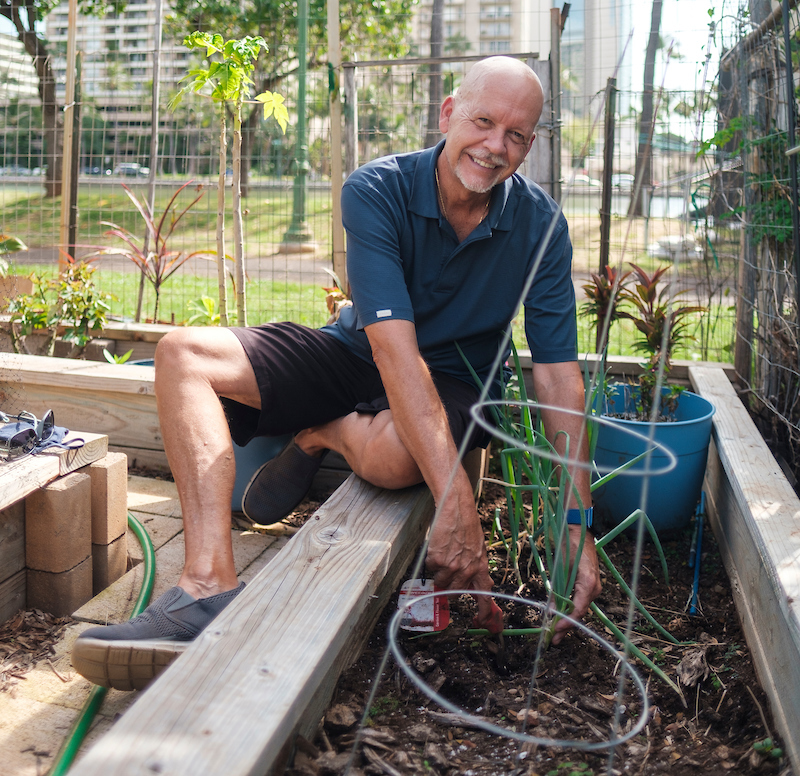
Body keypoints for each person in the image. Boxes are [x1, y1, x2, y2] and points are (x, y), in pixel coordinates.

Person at [73, 56, 601, 683]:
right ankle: (207, 584)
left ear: (530, 146)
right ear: (448, 114)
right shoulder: (377, 189)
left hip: (455, 381)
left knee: (400, 461)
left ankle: (323, 431)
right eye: (483, 122)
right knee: (182, 354)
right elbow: (391, 349)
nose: (494, 146)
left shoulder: (541, 226)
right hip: (361, 350)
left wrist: (576, 525)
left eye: (515, 135)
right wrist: (455, 502)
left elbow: (558, 378)